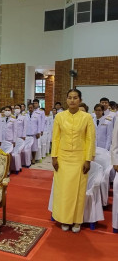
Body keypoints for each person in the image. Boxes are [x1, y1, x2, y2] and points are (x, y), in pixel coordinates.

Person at [51, 89, 95, 233]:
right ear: (66, 99)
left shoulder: (87, 117)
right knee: (63, 190)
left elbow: (90, 139)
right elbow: (56, 138)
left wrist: (88, 159)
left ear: (80, 100)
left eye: (75, 98)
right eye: (69, 97)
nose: (72, 100)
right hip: (63, 158)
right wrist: (54, 157)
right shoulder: (60, 116)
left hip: (79, 158)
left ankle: (76, 220)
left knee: (78, 191)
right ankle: (64, 218)